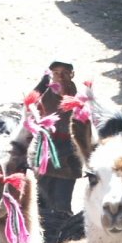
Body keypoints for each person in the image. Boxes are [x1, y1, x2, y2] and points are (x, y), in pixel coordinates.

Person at [35, 61, 82, 216]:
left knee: (62, 205)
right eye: (56, 73)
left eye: (65, 73)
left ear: (72, 75)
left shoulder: (80, 100)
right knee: (40, 204)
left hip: (68, 162)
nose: (60, 77)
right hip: (44, 159)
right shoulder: (42, 96)